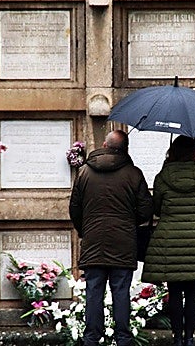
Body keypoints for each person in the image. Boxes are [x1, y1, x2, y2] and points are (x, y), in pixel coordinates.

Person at [69, 130, 153, 346]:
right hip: (123, 242)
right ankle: (123, 338)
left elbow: (75, 209)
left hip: (93, 241)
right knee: (121, 292)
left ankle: (91, 339)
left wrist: (85, 230)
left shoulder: (84, 172)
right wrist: (128, 223)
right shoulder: (134, 174)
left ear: (105, 145)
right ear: (125, 149)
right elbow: (146, 210)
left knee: (94, 292)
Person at [141, 135, 195, 346]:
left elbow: (156, 209)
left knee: (174, 292)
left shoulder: (163, 177)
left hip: (169, 238)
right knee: (192, 291)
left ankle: (177, 338)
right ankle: (190, 338)